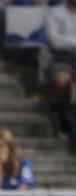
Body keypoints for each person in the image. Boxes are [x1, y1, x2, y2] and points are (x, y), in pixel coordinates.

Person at [42, 1, 76, 137]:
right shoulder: (54, 12)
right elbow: (55, 41)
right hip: (60, 59)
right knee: (63, 81)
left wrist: (66, 38)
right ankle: (62, 118)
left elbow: (62, 40)